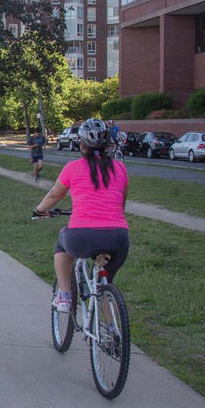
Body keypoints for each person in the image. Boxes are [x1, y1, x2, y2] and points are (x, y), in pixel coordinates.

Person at [32, 118, 130, 318]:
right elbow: (121, 205)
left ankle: (65, 296)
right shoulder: (120, 168)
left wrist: (39, 210)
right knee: (104, 284)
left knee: (62, 245)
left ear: (81, 144)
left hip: (81, 236)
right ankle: (113, 335)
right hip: (118, 237)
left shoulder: (73, 167)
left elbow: (54, 195)